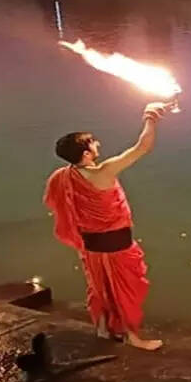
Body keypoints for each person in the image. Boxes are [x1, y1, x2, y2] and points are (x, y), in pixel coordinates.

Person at [43, 102, 169, 350]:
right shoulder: (102, 172)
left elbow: (56, 203)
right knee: (124, 291)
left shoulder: (63, 175)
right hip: (116, 245)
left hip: (91, 246)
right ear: (86, 154)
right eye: (92, 142)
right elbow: (142, 147)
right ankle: (132, 338)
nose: (97, 144)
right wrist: (151, 117)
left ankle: (102, 330)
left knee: (100, 289)